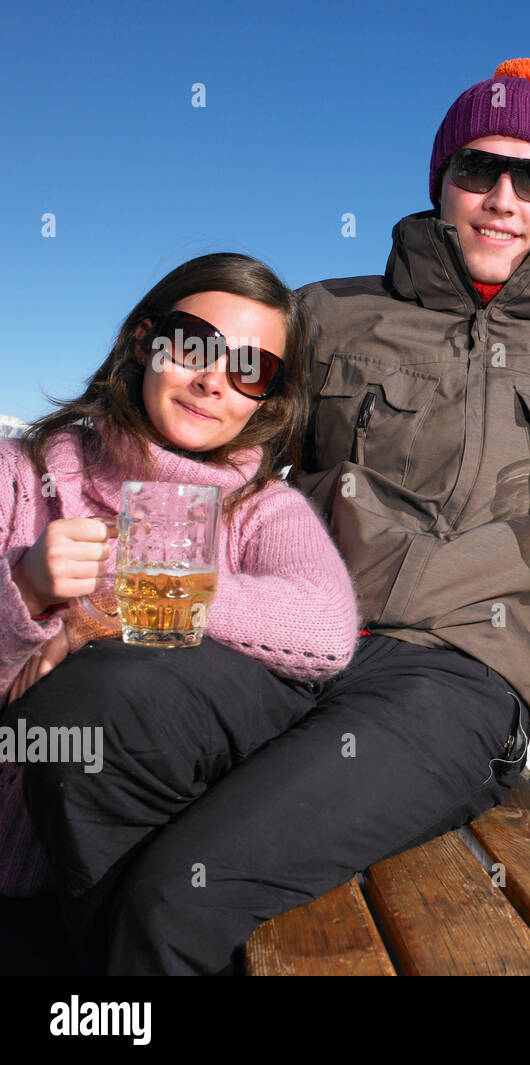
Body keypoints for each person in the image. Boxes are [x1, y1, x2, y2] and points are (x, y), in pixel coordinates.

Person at [18, 58, 530, 975]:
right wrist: (97, 587)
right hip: (291, 643)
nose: (500, 198)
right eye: (476, 169)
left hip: (458, 680)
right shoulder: (328, 314)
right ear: (440, 181)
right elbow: (213, 443)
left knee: (184, 888)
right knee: (87, 716)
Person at [1, 254, 357, 924]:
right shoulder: (22, 478)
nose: (212, 380)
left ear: (267, 398)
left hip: (144, 884)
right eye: (193, 344)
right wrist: (22, 590)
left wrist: (132, 596)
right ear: (144, 341)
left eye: (250, 368)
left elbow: (326, 629)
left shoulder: (260, 508)